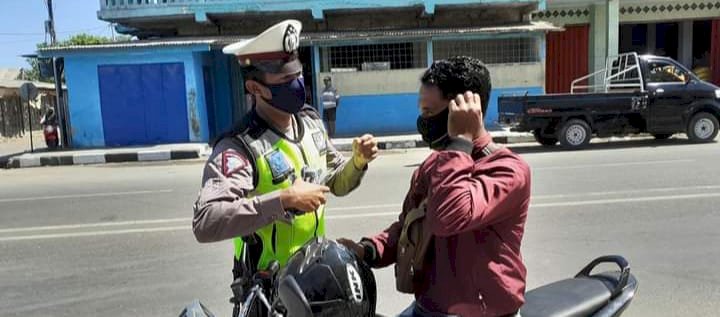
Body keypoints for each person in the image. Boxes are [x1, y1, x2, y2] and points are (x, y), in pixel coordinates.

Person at [192, 19, 378, 314]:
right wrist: (284, 200)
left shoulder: (312, 123)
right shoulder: (240, 147)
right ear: (255, 87)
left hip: (315, 288)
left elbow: (335, 184)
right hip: (269, 295)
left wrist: (357, 162)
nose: (297, 85)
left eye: (299, 75)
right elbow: (206, 221)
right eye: (284, 82)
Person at [339, 56, 531, 317]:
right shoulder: (436, 165)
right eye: (422, 111)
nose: (422, 121)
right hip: (427, 309)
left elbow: (449, 216)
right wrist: (367, 250)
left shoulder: (507, 170)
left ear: (463, 109)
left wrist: (461, 140)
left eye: (429, 112)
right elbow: (408, 226)